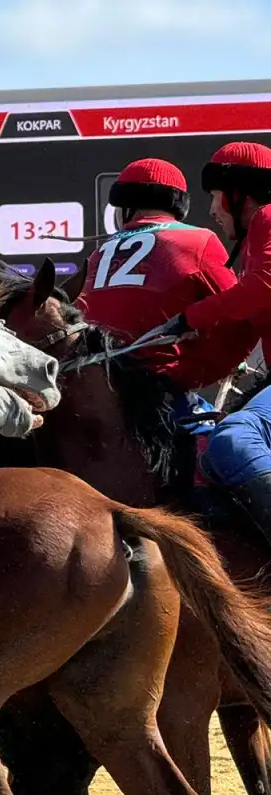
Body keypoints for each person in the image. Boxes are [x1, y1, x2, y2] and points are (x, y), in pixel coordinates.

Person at [159, 143, 271, 541]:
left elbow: (262, 288)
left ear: (238, 193)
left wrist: (190, 317)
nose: (212, 211)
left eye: (216, 197)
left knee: (232, 439)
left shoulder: (267, 218)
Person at [75, 158, 250, 392]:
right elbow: (240, 321)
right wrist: (194, 374)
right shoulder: (199, 240)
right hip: (158, 389)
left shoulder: (99, 252)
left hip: (95, 386)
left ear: (125, 207)